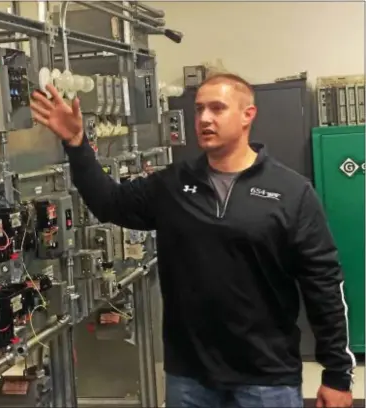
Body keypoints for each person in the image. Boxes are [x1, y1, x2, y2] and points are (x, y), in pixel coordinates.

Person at [30, 73, 356, 408]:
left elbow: (324, 285)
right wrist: (76, 143)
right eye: (199, 109)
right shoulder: (173, 185)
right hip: (190, 378)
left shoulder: (292, 192)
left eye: (217, 108)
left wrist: (337, 375)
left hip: (266, 377)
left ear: (248, 116)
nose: (204, 118)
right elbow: (109, 203)